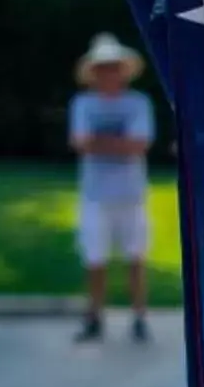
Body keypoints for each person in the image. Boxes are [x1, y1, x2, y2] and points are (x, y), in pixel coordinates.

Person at [67, 34, 156, 342]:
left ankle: (140, 315)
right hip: (95, 194)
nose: (109, 72)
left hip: (131, 194)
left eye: (114, 66)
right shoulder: (83, 103)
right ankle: (94, 316)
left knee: (136, 257)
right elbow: (80, 143)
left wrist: (99, 143)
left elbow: (140, 144)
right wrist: (120, 144)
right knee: (94, 259)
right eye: (103, 67)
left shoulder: (138, 103)